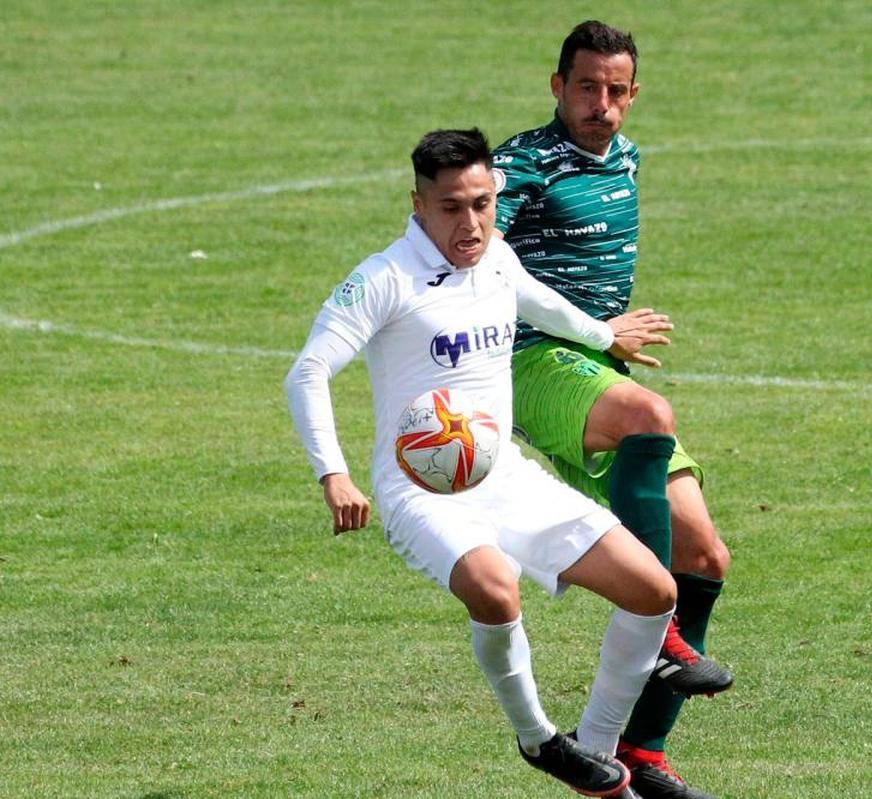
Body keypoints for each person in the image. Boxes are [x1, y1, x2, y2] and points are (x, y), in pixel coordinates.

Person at [285, 128, 685, 798]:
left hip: (505, 477)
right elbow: (308, 371)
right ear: (417, 203)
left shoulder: (497, 254)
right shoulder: (384, 277)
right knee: (496, 587)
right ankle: (539, 739)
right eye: (450, 208)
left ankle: (596, 748)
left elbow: (536, 300)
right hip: (422, 490)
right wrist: (334, 472)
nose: (469, 222)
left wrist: (603, 335)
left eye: (481, 203)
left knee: (654, 591)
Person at [492, 20, 732, 799]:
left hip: (591, 361)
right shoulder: (520, 163)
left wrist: (602, 342)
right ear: (557, 86)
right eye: (585, 86)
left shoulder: (626, 157)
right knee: (646, 413)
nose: (601, 103)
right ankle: (655, 630)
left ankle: (641, 753)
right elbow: (471, 246)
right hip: (529, 359)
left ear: (634, 94)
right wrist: (593, 329)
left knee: (704, 558)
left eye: (615, 90)